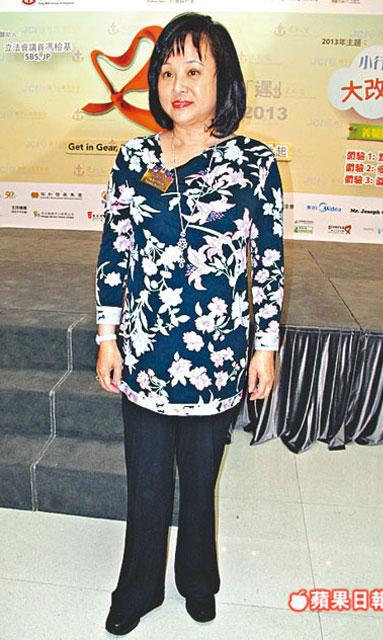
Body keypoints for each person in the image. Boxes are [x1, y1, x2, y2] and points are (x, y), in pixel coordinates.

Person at [95, 11, 284, 636]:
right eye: (167, 72)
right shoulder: (134, 158)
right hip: (146, 350)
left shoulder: (253, 162)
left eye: (194, 71)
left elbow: (268, 263)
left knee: (200, 481)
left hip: (217, 354)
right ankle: (138, 588)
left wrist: (264, 347)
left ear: (221, 78)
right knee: (147, 482)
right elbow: (115, 252)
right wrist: (107, 337)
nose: (179, 85)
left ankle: (198, 581)